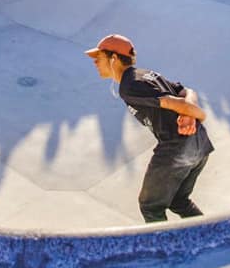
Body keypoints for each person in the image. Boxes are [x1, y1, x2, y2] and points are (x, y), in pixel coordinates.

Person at [85, 34, 212, 223]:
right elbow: (188, 92)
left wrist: (196, 114)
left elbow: (174, 101)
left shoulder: (130, 85)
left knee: (150, 206)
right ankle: (209, 236)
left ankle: (165, 249)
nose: (95, 63)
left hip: (176, 148)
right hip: (200, 143)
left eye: (99, 58)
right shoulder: (144, 73)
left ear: (113, 59)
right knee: (179, 201)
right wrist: (188, 114)